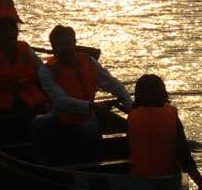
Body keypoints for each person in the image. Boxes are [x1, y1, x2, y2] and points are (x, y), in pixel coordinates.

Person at [31, 25, 133, 164]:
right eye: (61, 45)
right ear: (54, 48)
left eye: (69, 43)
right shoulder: (46, 71)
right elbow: (61, 101)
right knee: (38, 124)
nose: (66, 49)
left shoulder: (89, 62)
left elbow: (114, 84)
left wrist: (131, 107)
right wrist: (93, 106)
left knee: (92, 129)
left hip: (88, 116)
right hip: (62, 118)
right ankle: (46, 165)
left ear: (74, 43)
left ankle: (95, 167)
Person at [127, 74, 202, 190]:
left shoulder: (132, 118)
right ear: (163, 93)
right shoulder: (171, 116)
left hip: (140, 182)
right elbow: (184, 157)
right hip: (168, 182)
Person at [0, 18, 48, 117]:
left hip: (29, 102)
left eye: (12, 31)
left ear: (17, 33)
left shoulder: (26, 49)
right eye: (4, 31)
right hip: (2, 107)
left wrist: (50, 100)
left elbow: (44, 74)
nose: (9, 35)